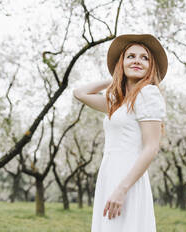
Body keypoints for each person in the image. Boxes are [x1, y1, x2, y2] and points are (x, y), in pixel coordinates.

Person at [73, 34, 168, 232]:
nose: (137, 61)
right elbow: (80, 93)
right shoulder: (119, 102)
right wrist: (116, 78)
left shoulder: (148, 94)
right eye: (131, 56)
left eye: (144, 58)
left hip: (127, 179)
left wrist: (122, 189)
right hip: (110, 174)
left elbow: (151, 147)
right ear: (121, 63)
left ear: (151, 67)